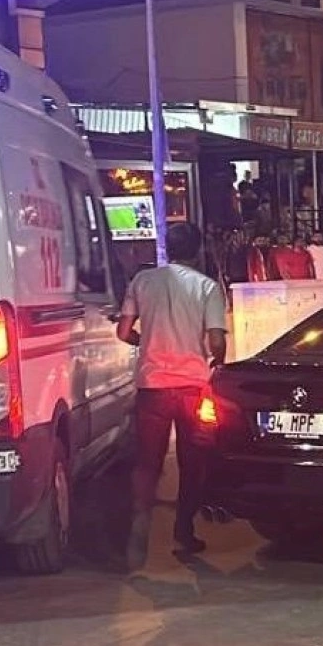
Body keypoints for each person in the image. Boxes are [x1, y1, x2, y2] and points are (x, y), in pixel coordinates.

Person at [115, 223, 227, 568]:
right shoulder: (207, 287)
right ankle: (183, 529)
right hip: (192, 387)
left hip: (152, 387)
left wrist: (146, 342)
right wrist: (218, 360)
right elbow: (216, 341)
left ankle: (140, 525)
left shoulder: (142, 281)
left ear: (168, 247)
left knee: (148, 462)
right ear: (198, 250)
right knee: (192, 462)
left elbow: (123, 332)